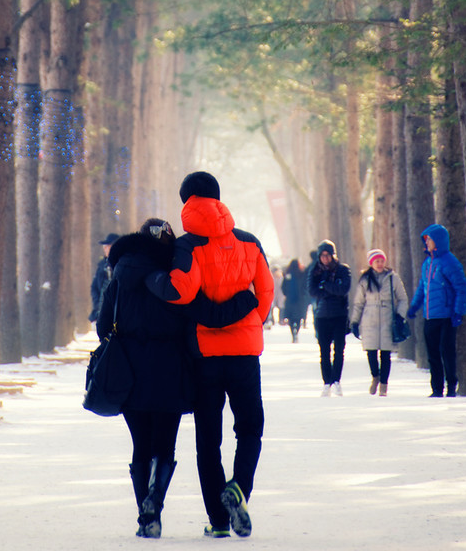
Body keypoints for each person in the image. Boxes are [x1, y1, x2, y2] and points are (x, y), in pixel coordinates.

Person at [97, 217, 258, 539]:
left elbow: (103, 328)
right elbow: (197, 321)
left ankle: (148, 515)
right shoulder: (172, 281)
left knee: (140, 446)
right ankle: (156, 499)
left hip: (128, 373)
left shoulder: (118, 280)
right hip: (170, 373)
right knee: (163, 446)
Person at [147, 171, 275, 539]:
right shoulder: (249, 242)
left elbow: (181, 293)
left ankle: (219, 521)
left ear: (187, 201)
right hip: (246, 352)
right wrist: (251, 320)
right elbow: (265, 290)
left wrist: (152, 280)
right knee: (250, 427)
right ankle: (240, 489)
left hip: (204, 354)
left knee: (209, 440)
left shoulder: (188, 246)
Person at [407, 223, 466, 398]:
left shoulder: (450, 262)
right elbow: (422, 288)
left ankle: (451, 386)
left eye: (430, 240)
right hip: (430, 316)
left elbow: (461, 287)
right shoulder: (427, 263)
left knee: (446, 351)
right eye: (426, 240)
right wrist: (414, 306)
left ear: (439, 241)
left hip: (447, 316)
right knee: (432, 353)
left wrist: (458, 312)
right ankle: (436, 388)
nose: (427, 243)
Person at [350, 248, 409, 396]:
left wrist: (400, 315)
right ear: (371, 263)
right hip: (369, 320)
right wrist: (354, 322)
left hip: (388, 319)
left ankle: (384, 384)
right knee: (371, 353)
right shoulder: (365, 279)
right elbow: (358, 303)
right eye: (377, 261)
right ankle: (375, 376)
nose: (380, 263)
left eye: (382, 260)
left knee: (385, 354)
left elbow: (402, 298)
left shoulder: (392, 278)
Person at [307, 239, 351, 396]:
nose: (325, 258)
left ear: (333, 255)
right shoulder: (314, 271)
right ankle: (327, 382)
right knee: (324, 351)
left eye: (328, 255)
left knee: (339, 350)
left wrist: (325, 286)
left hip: (339, 315)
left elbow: (343, 289)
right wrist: (331, 289)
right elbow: (312, 291)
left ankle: (336, 380)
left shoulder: (343, 270)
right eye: (322, 256)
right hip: (321, 316)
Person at [89, 232, 119, 323]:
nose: (105, 248)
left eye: (107, 246)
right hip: (102, 311)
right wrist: (98, 305)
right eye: (104, 246)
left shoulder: (121, 265)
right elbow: (94, 287)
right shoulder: (102, 265)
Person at [281, 259, 308, 342]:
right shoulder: (302, 274)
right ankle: (297, 330)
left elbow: (283, 286)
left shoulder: (288, 275)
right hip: (300, 300)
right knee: (299, 318)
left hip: (290, 300)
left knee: (291, 318)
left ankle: (293, 332)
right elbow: (305, 285)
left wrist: (286, 294)